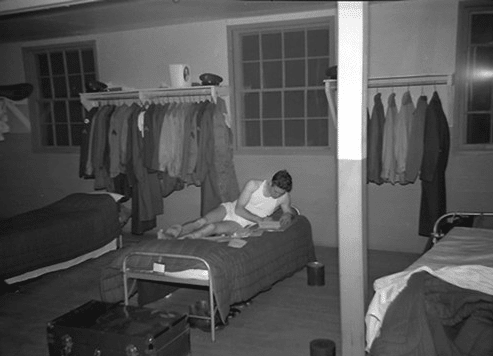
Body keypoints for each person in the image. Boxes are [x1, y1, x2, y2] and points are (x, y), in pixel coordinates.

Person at [158, 169, 296, 240]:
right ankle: (171, 234)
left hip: (241, 224)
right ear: (271, 183)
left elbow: (288, 211)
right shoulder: (254, 185)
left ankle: (182, 240)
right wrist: (260, 220)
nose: (277, 195)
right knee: (201, 221)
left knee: (211, 227)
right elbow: (239, 209)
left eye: (281, 193)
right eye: (276, 191)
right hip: (231, 209)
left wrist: (288, 215)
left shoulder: (284, 196)